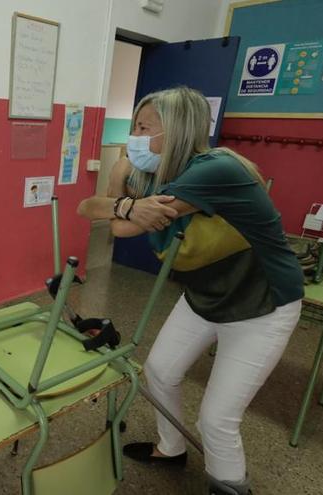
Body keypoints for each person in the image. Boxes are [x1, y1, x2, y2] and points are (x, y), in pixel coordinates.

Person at [77, 87, 304, 495]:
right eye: (134, 128)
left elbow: (118, 225)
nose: (135, 137)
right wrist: (122, 194)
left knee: (217, 420)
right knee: (160, 371)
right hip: (205, 296)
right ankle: (171, 448)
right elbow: (87, 208)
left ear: (177, 130)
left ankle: (230, 488)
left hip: (262, 306)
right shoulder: (157, 175)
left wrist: (119, 192)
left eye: (145, 128)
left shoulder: (214, 170)